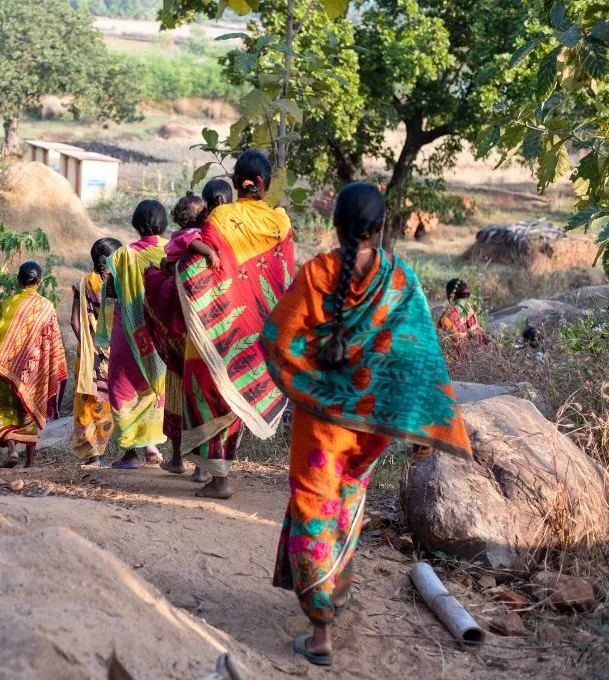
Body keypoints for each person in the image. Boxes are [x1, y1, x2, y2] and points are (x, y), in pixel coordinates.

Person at [262, 182, 472, 667]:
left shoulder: (316, 273)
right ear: (381, 228)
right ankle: (332, 598)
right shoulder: (400, 280)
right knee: (348, 502)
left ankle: (320, 633)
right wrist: (419, 430)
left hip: (320, 425)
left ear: (336, 225)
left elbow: (277, 339)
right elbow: (418, 357)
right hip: (371, 429)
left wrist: (313, 385)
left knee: (316, 504)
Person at [175, 151, 295, 498]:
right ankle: (219, 475)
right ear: (266, 184)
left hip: (219, 325)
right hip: (257, 329)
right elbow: (283, 277)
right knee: (237, 395)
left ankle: (217, 477)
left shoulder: (220, 217)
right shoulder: (281, 224)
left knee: (213, 393)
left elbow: (194, 266)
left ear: (233, 183)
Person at [97, 200, 169, 469]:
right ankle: (151, 444)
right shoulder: (170, 252)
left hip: (128, 333)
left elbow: (112, 293)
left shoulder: (122, 256)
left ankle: (130, 453)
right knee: (154, 388)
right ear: (163, 224)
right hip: (160, 334)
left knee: (122, 387)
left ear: (135, 224)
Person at [144, 192, 210, 480]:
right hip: (203, 333)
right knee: (201, 400)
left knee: (176, 396)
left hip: (178, 331)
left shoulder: (179, 242)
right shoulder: (205, 240)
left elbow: (167, 267)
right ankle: (201, 466)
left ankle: (176, 459)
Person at [0, 262, 68, 468]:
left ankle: (12, 450)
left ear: (18, 280)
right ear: (40, 281)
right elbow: (53, 341)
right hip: (34, 371)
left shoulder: (8, 303)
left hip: (5, 369)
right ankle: (31, 461)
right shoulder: (46, 306)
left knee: (3, 408)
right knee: (29, 410)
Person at [71, 237, 122, 467]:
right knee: (109, 399)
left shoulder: (81, 284)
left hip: (89, 352)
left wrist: (87, 346)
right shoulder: (117, 284)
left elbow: (74, 322)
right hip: (114, 350)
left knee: (88, 400)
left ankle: (95, 456)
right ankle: (131, 450)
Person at [438, 278, 489, 350]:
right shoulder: (467, 305)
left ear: (450, 293)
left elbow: (443, 335)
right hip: (477, 348)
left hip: (461, 354)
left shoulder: (451, 311)